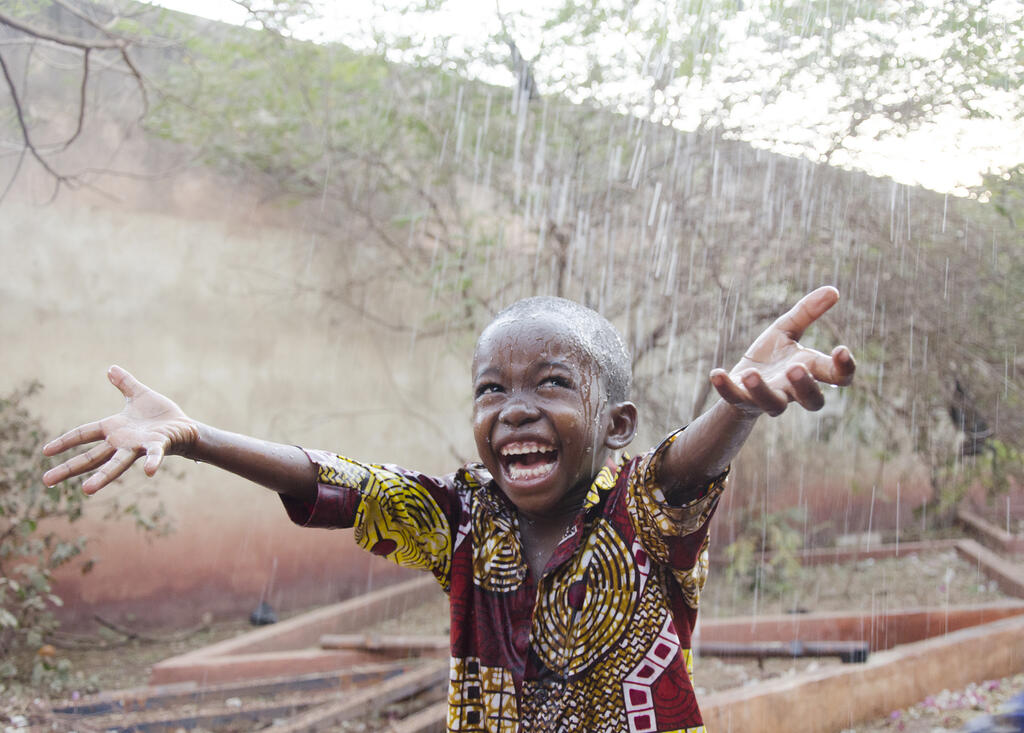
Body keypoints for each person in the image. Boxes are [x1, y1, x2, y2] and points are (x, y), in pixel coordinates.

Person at [43, 285, 855, 732]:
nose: (516, 407)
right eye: (492, 388)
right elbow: (336, 480)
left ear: (616, 426)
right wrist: (196, 437)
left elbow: (685, 468)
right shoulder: (463, 519)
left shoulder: (643, 508)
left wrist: (741, 408)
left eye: (552, 383)